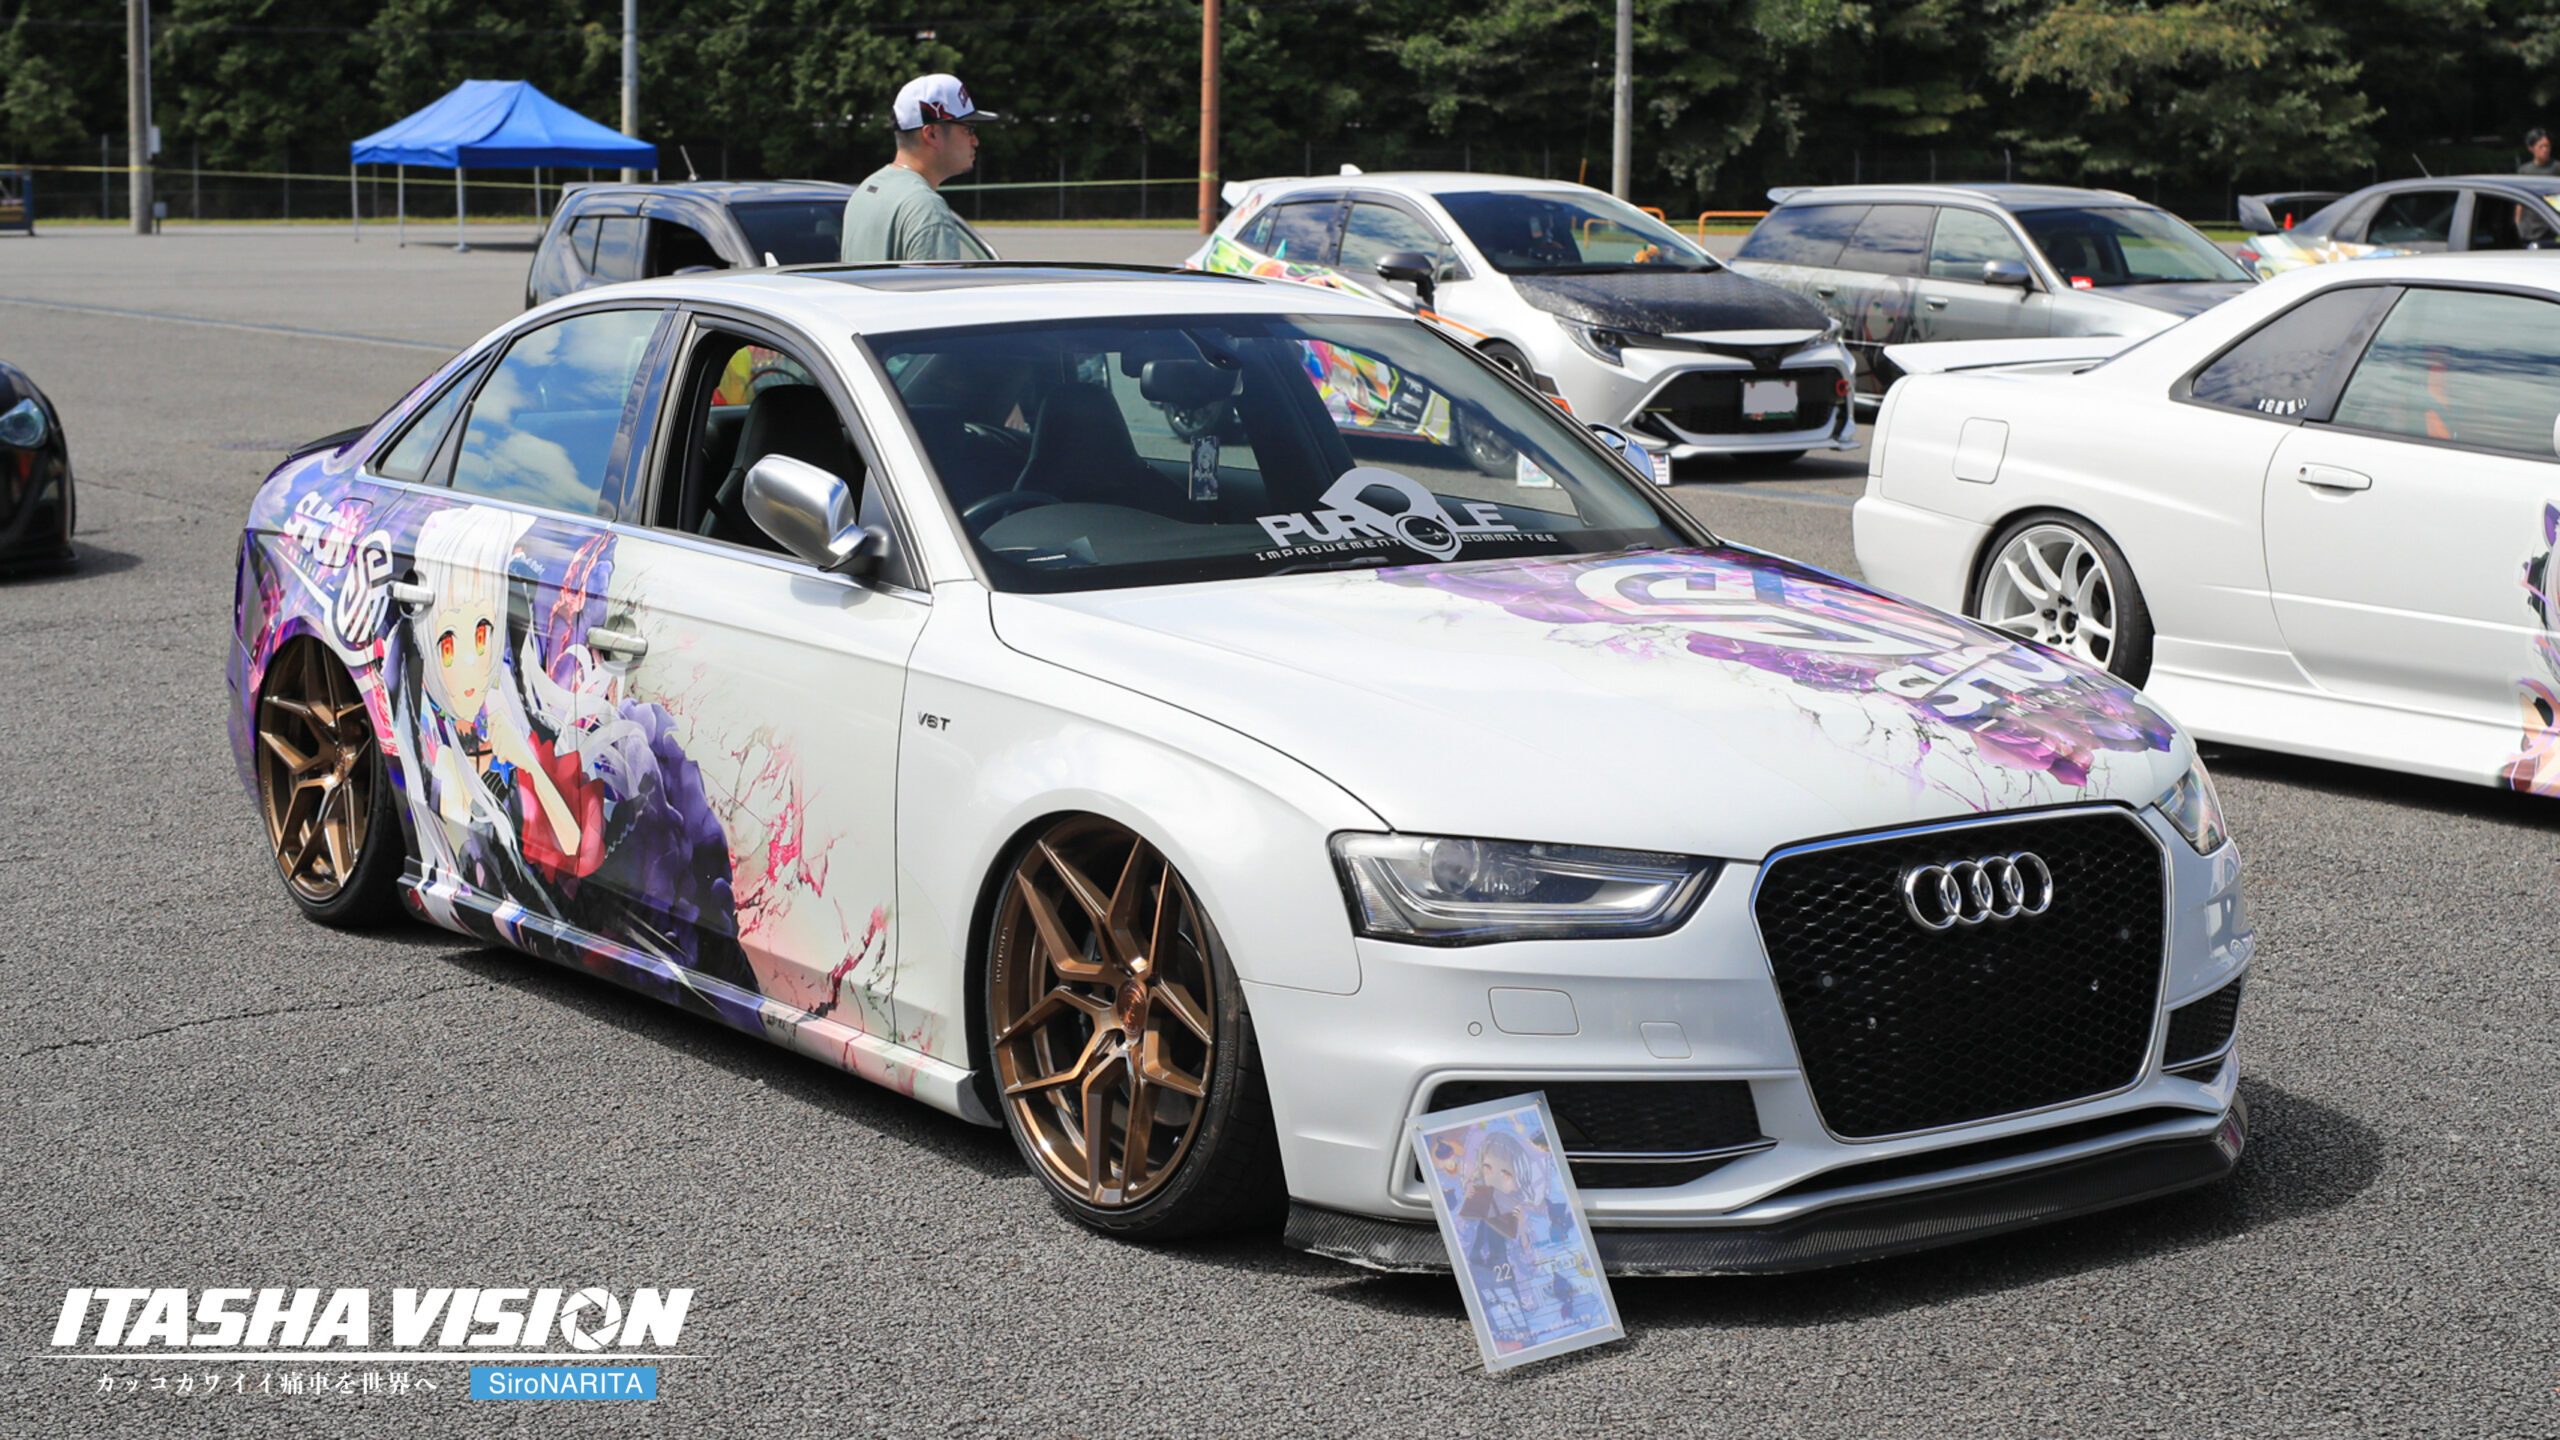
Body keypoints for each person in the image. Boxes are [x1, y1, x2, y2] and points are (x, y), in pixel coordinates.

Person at [840, 74, 1000, 262]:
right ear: (932, 134)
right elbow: (935, 282)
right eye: (968, 130)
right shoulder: (927, 209)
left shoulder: (865, 191)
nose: (975, 141)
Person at [2517, 128, 2559, 244]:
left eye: (2547, 146)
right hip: (2530, 225)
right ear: (2531, 148)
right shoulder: (2525, 170)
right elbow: (2519, 201)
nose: (2545, 150)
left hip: (2551, 223)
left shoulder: (2556, 168)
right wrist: (2518, 221)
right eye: (2541, 146)